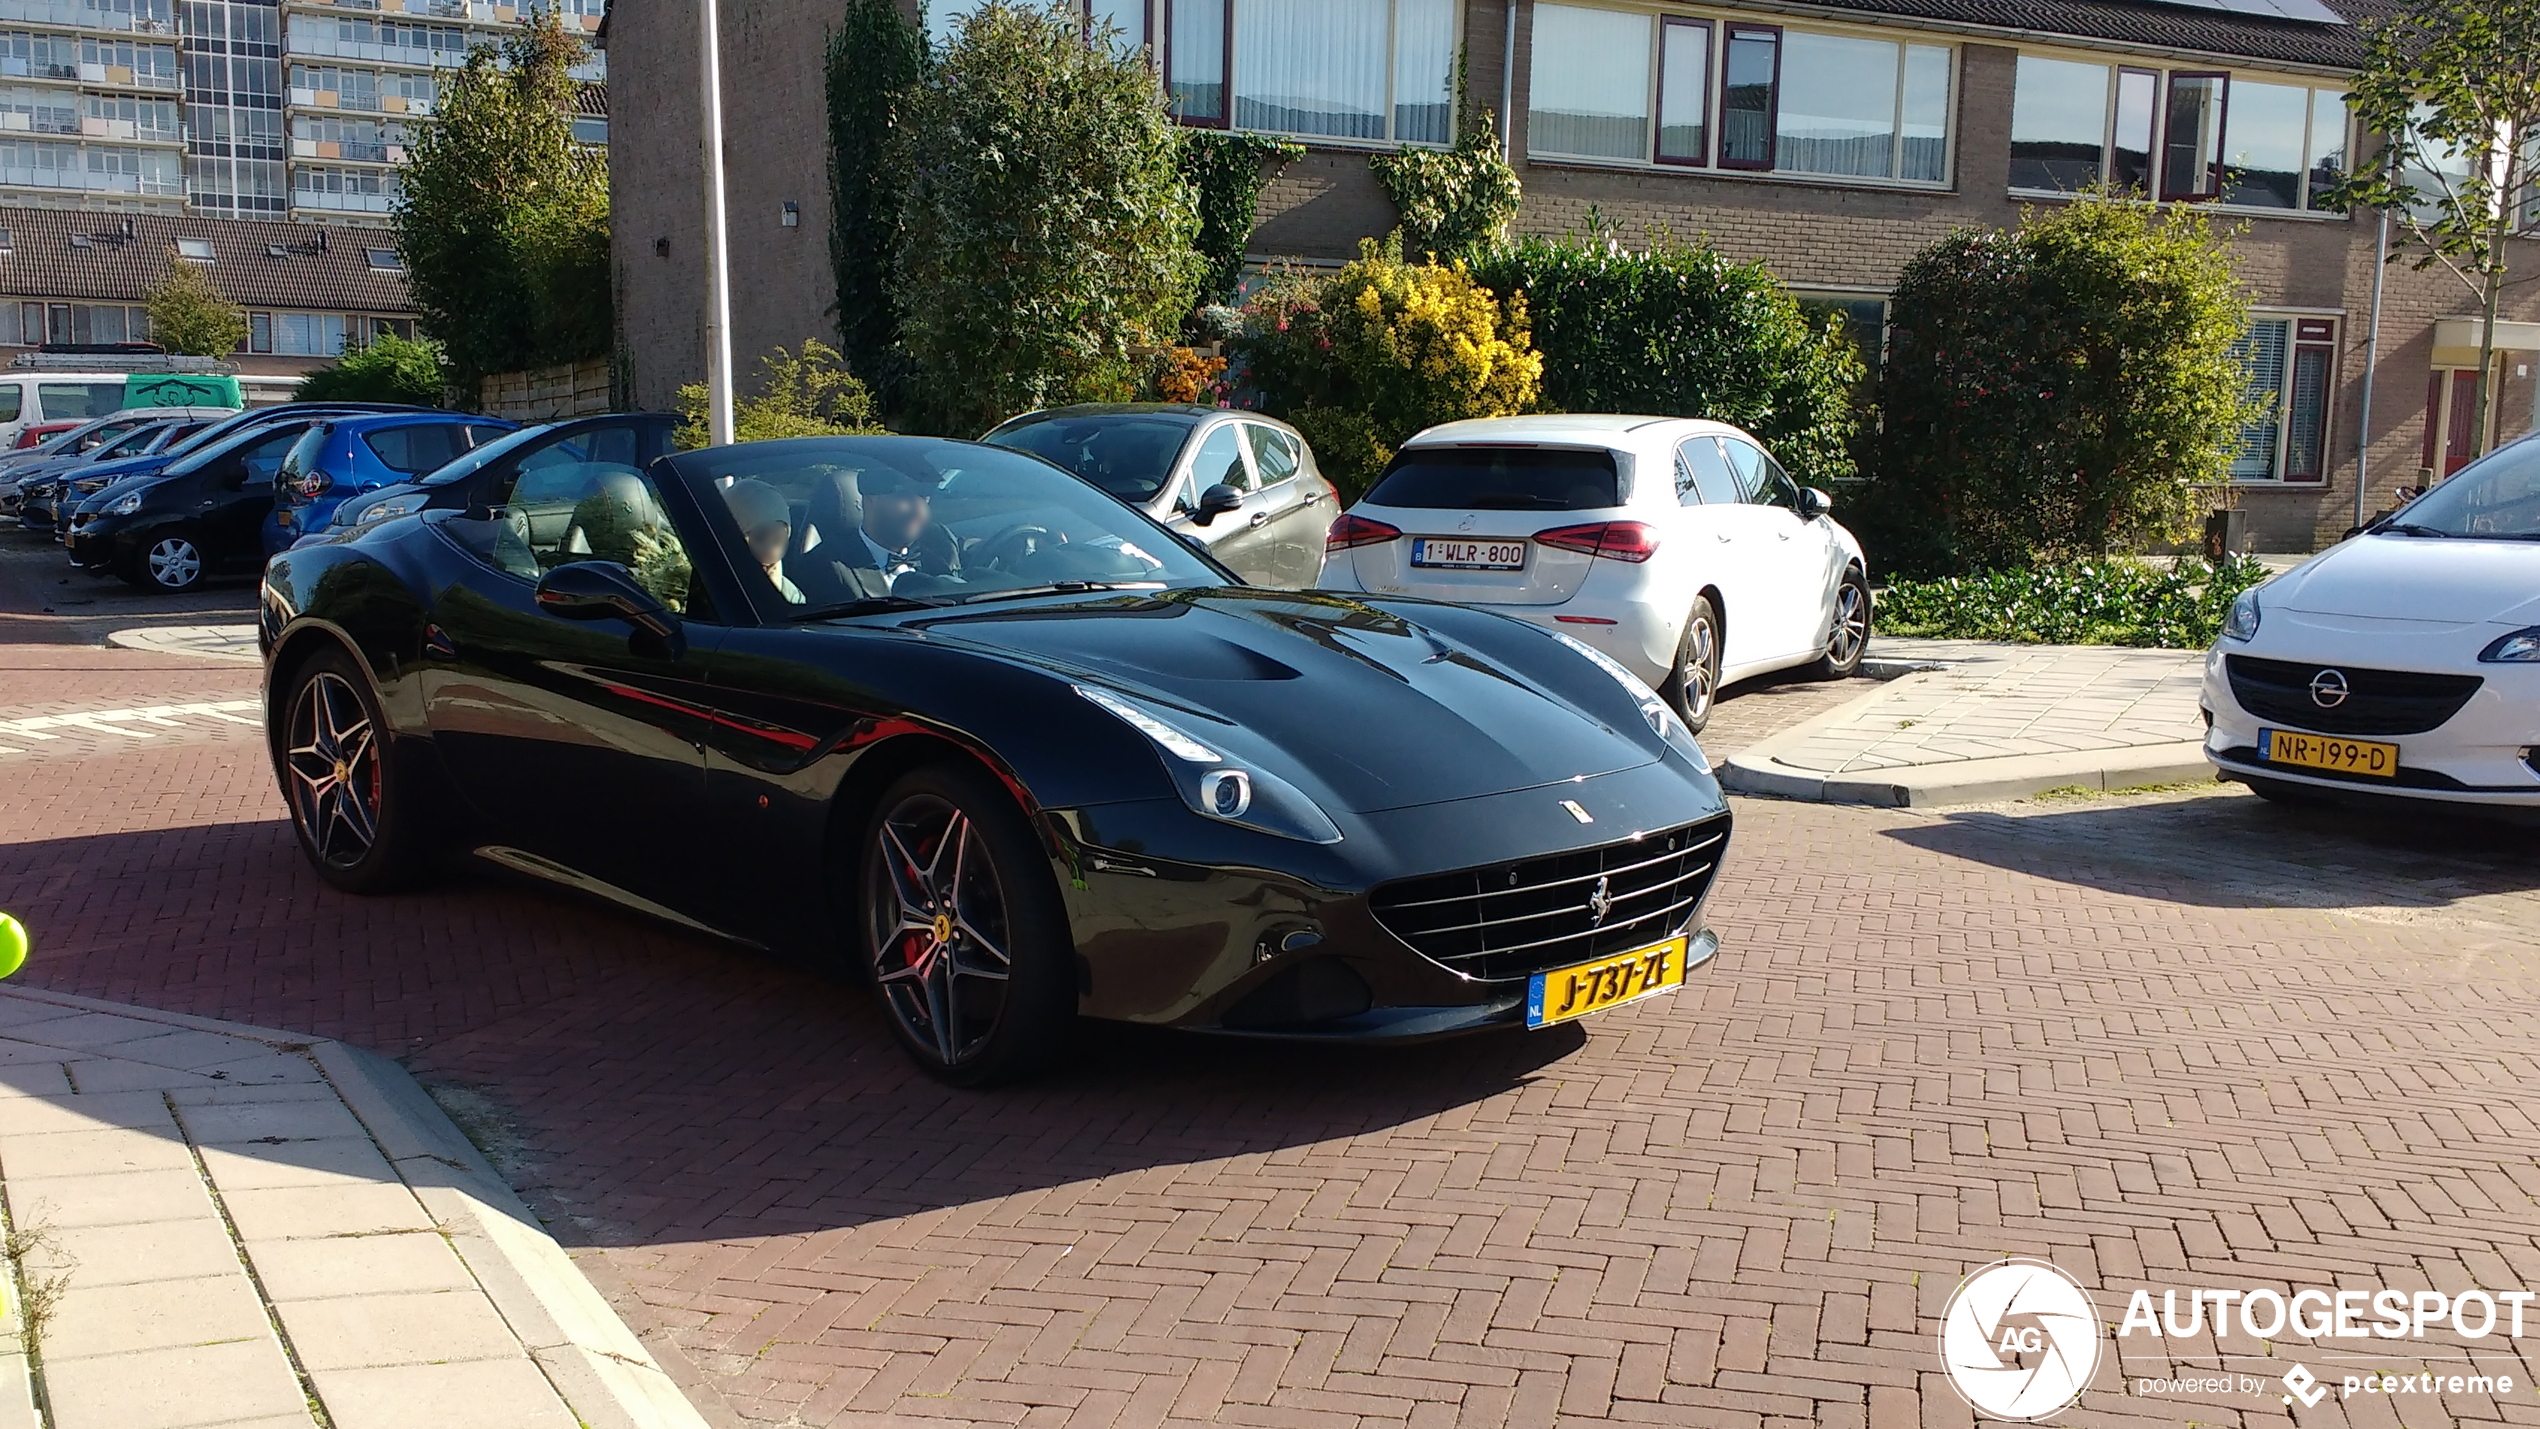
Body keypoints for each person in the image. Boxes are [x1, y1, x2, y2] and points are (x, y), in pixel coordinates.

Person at [723, 478, 804, 604]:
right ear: (733, 534)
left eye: (778, 541)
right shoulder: (712, 588)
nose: (770, 551)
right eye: (759, 538)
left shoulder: (793, 597)